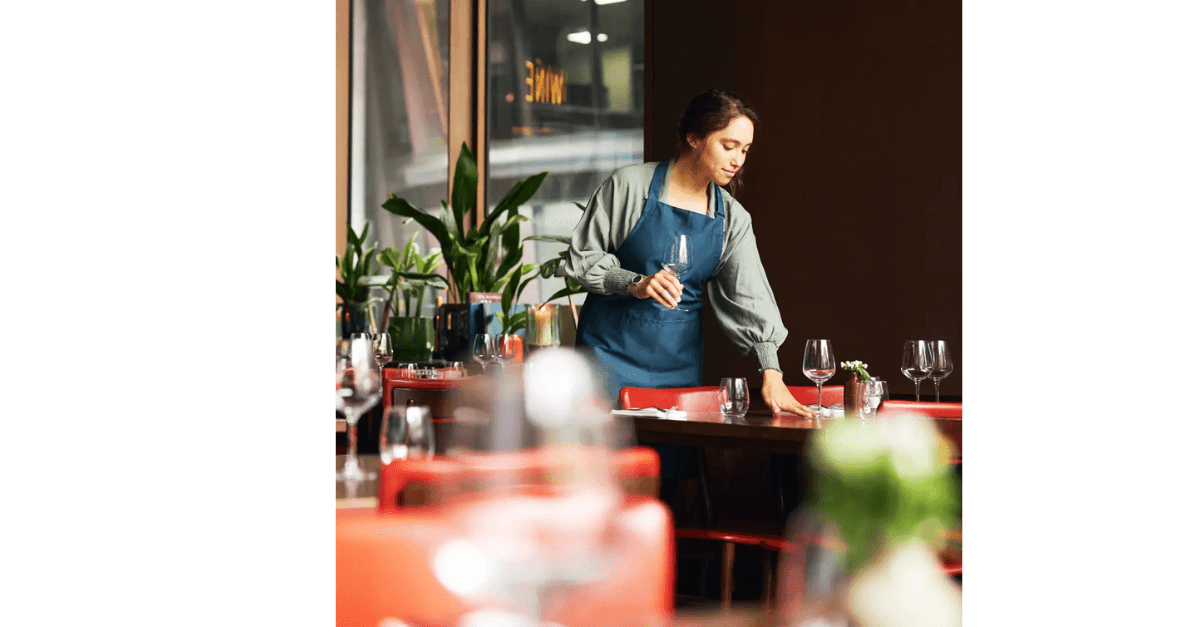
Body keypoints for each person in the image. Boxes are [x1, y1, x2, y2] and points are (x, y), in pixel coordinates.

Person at [563, 89, 812, 416]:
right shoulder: (630, 185)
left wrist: (772, 371)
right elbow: (584, 257)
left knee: (675, 463)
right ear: (694, 138)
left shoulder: (733, 219)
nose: (737, 160)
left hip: (679, 369)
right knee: (614, 464)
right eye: (728, 146)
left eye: (745, 150)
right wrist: (636, 283)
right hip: (608, 359)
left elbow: (751, 297)